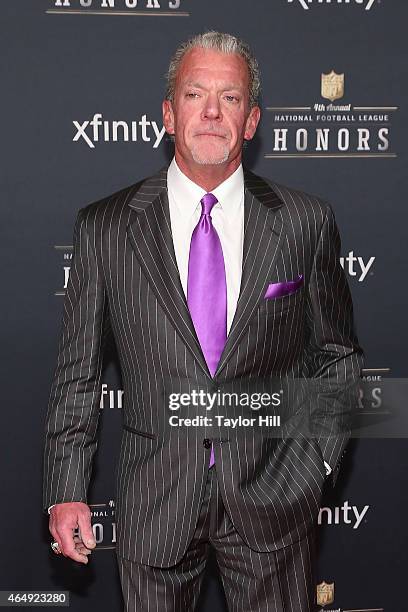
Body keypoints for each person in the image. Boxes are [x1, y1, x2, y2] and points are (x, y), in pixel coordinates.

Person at [43, 31, 364, 612]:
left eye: (231, 98)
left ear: (252, 121)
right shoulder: (106, 227)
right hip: (154, 501)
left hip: (273, 500)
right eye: (195, 95)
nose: (212, 112)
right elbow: (78, 376)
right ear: (168, 114)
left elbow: (338, 355)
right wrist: (66, 491)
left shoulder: (304, 222)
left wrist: (316, 460)